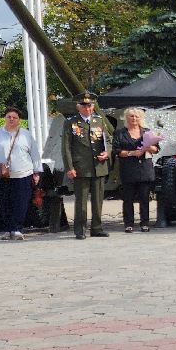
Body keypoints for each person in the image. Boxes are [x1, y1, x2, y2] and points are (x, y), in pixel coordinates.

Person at [0, 106, 41, 241]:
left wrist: (37, 171)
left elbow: (35, 154)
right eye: (9, 117)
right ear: (5, 118)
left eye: (15, 117)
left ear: (19, 120)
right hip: (1, 175)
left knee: (20, 202)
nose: (11, 119)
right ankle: (8, 229)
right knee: (4, 202)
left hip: (22, 173)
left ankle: (17, 229)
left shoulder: (26, 134)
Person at [62, 92, 112, 240]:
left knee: (98, 200)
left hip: (98, 166)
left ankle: (97, 228)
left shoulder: (99, 120)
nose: (87, 108)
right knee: (81, 201)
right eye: (84, 105)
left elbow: (108, 140)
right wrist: (69, 167)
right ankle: (80, 229)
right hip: (80, 167)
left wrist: (107, 153)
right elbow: (66, 147)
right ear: (78, 107)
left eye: (90, 105)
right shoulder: (71, 122)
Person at [115, 107, 160, 233]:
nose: (134, 119)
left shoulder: (147, 131)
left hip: (144, 168)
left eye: (136, 116)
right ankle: (128, 224)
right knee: (128, 198)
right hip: (128, 168)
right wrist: (132, 153)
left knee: (144, 198)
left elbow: (157, 149)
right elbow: (117, 151)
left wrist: (148, 147)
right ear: (126, 118)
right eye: (131, 116)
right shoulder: (120, 133)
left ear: (141, 118)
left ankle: (144, 223)